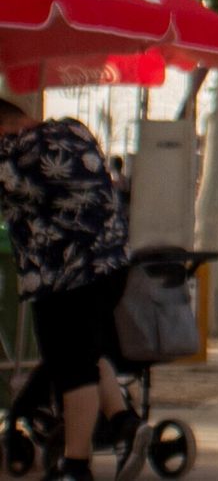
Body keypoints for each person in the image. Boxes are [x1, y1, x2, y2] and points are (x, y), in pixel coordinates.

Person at [0, 98, 150, 481]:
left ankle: (76, 465)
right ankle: (122, 423)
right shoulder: (73, 130)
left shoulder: (18, 152)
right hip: (112, 266)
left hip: (66, 273)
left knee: (72, 366)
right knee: (86, 350)